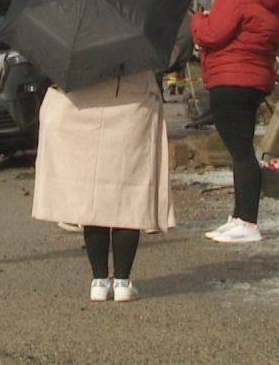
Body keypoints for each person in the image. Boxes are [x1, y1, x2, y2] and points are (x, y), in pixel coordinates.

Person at [32, 71, 175, 303]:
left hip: (84, 105)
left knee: (93, 197)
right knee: (129, 196)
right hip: (133, 105)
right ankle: (122, 282)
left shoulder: (79, 46)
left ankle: (98, 280)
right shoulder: (137, 41)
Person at [190, 0, 279, 244]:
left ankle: (248, 221)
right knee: (242, 148)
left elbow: (212, 34)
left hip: (230, 78)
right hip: (253, 78)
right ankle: (240, 215)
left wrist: (198, 20)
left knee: (241, 152)